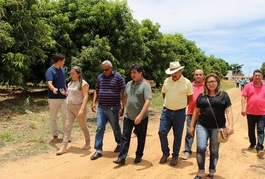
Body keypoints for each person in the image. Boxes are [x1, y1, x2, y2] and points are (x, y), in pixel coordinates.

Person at [189, 73, 234, 179]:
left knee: (214, 150)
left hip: (217, 128)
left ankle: (212, 172)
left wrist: (231, 125)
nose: (211, 83)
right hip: (202, 125)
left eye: (213, 81)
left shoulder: (224, 95)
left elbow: (228, 111)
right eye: (209, 82)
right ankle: (200, 171)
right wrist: (191, 126)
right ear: (206, 83)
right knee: (201, 147)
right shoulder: (202, 96)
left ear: (217, 82)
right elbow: (196, 112)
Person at [113, 64, 152, 165]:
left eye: (135, 72)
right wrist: (123, 108)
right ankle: (121, 158)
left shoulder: (145, 85)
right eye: (131, 72)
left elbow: (147, 101)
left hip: (141, 117)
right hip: (128, 116)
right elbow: (125, 96)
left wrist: (140, 115)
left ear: (141, 73)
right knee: (125, 136)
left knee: (141, 137)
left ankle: (139, 155)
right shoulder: (129, 84)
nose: (132, 74)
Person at [158, 61, 193, 166]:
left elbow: (190, 98)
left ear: (180, 71)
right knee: (161, 132)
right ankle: (165, 152)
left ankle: (175, 156)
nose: (173, 74)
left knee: (177, 135)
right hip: (166, 111)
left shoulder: (186, 82)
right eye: (172, 72)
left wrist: (180, 105)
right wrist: (170, 103)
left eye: (176, 71)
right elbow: (164, 94)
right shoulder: (166, 81)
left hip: (180, 113)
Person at [90, 60, 126, 160]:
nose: (104, 72)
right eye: (103, 70)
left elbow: (124, 92)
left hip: (113, 108)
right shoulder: (100, 77)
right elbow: (96, 90)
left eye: (106, 70)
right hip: (101, 107)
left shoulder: (118, 77)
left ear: (111, 68)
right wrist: (93, 102)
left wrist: (123, 107)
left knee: (115, 127)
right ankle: (98, 150)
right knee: (99, 128)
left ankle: (120, 144)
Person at [56, 66, 91, 155]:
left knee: (83, 127)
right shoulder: (70, 83)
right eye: (71, 73)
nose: (71, 75)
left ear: (78, 74)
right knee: (67, 127)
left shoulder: (83, 83)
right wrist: (65, 93)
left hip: (79, 107)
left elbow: (86, 96)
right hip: (70, 107)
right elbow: (70, 94)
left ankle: (88, 142)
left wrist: (82, 109)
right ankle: (63, 147)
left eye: (73, 73)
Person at [241, 69, 265, 158]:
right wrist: (243, 108)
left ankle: (259, 147)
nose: (257, 77)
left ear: (262, 77)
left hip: (262, 113)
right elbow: (243, 97)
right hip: (250, 112)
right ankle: (252, 143)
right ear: (253, 76)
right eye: (256, 75)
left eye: (259, 75)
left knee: (260, 129)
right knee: (251, 129)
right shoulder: (248, 86)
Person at [182, 69, 204, 160]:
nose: (198, 76)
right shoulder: (189, 85)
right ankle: (187, 151)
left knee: (203, 133)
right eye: (196, 74)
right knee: (189, 132)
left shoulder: (207, 86)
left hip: (204, 114)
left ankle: (202, 150)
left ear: (203, 76)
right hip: (191, 113)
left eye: (200, 74)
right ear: (194, 76)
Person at [45, 53, 67, 142]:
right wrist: (53, 89)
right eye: (63, 61)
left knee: (66, 116)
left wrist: (66, 91)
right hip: (53, 98)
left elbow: (63, 82)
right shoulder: (50, 71)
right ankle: (55, 135)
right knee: (54, 117)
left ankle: (66, 135)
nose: (64, 63)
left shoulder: (62, 70)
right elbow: (49, 83)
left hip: (63, 97)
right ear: (59, 61)